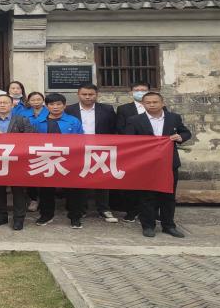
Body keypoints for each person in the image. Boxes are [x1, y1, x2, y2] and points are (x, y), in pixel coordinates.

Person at [125, 92, 191, 238]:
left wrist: (180, 137)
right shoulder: (135, 120)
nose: (152, 105)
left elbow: (186, 133)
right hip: (145, 164)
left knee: (168, 195)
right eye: (148, 102)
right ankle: (148, 226)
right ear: (143, 104)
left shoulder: (173, 118)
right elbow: (129, 141)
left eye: (155, 102)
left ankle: (169, 225)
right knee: (147, 196)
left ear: (162, 103)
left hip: (169, 163)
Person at [65, 84, 119, 223]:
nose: (88, 97)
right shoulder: (69, 110)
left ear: (96, 95)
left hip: (101, 148)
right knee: (80, 178)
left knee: (103, 179)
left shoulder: (107, 109)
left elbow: (114, 128)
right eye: (84, 94)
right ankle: (81, 208)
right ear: (78, 95)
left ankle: (104, 209)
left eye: (91, 94)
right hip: (78, 149)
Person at [0, 94, 36, 230]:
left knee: (18, 190)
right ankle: (1, 215)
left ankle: (19, 218)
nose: (2, 105)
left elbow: (30, 139)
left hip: (17, 160)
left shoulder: (21, 120)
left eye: (5, 102)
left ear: (12, 105)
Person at [32, 93, 86, 229]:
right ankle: (46, 215)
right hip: (46, 159)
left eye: (58, 104)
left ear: (64, 105)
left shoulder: (73, 121)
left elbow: (81, 140)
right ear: (46, 106)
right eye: (51, 104)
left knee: (74, 190)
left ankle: (75, 217)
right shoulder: (38, 122)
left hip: (69, 160)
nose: (55, 107)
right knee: (46, 190)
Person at [115, 81, 156, 222]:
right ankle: (132, 211)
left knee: (151, 181)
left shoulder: (158, 107)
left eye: (143, 90)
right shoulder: (124, 109)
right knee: (132, 181)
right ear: (131, 92)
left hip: (152, 150)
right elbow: (120, 128)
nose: (140, 92)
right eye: (137, 90)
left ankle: (152, 211)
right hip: (132, 150)